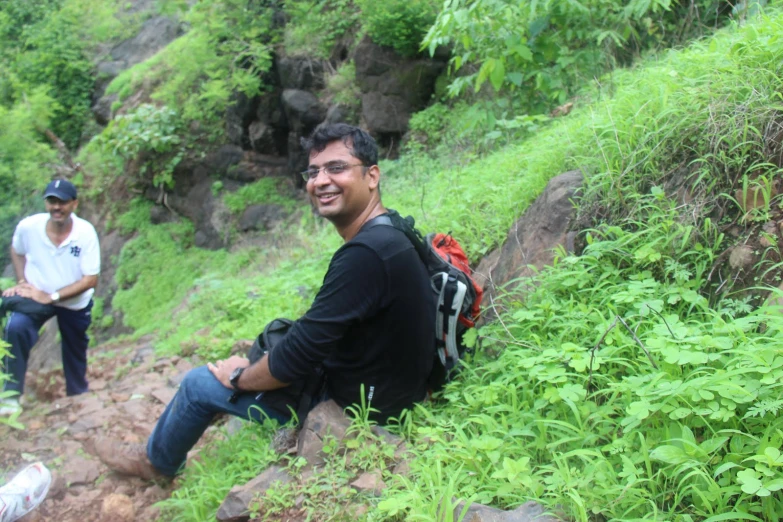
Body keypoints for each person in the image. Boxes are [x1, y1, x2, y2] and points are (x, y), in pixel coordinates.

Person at [94, 123, 435, 480]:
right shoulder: (391, 228)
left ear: (372, 176)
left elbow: (294, 360)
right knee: (273, 341)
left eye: (336, 168)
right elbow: (317, 333)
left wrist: (239, 377)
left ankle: (156, 465)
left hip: (362, 411)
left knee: (199, 384)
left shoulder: (365, 254)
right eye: (313, 171)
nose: (320, 181)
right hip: (386, 384)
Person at [0, 179, 101, 416]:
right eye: (52, 201)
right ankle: (10, 396)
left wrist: (52, 296)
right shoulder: (29, 227)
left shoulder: (85, 233)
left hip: (73, 302)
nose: (57, 207)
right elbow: (17, 250)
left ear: (74, 204)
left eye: (63, 202)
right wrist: (23, 281)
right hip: (36, 295)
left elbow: (90, 279)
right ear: (46, 203)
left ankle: (77, 396)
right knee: (16, 328)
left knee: (75, 347)